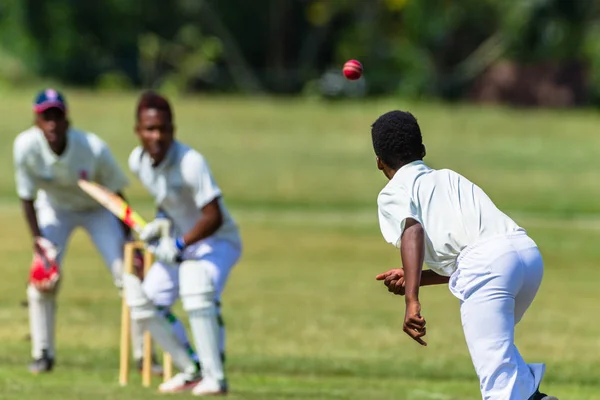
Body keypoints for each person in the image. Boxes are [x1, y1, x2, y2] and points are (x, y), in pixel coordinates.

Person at [371, 110, 557, 400]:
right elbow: (469, 257)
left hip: (489, 266)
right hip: (526, 256)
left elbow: (413, 230)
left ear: (379, 161)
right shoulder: (449, 178)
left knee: (498, 387)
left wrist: (412, 299)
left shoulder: (394, 191)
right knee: (503, 363)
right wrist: (414, 277)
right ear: (422, 151)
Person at [13, 89, 162, 375]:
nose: (52, 123)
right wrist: (38, 242)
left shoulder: (93, 148)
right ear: (37, 121)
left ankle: (145, 356)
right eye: (46, 117)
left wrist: (130, 239)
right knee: (44, 278)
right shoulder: (25, 147)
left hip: (98, 209)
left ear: (68, 120)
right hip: (55, 209)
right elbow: (26, 197)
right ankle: (43, 353)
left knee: (128, 275)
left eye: (57, 116)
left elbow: (116, 194)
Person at [125, 90, 242, 395]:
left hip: (217, 241)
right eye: (150, 129)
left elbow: (213, 216)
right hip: (182, 240)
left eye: (163, 128)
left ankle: (215, 377)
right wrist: (160, 226)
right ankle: (191, 369)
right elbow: (168, 202)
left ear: (173, 130)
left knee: (196, 286)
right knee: (144, 302)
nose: (157, 136)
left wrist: (177, 244)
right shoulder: (138, 162)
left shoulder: (191, 161)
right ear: (138, 131)